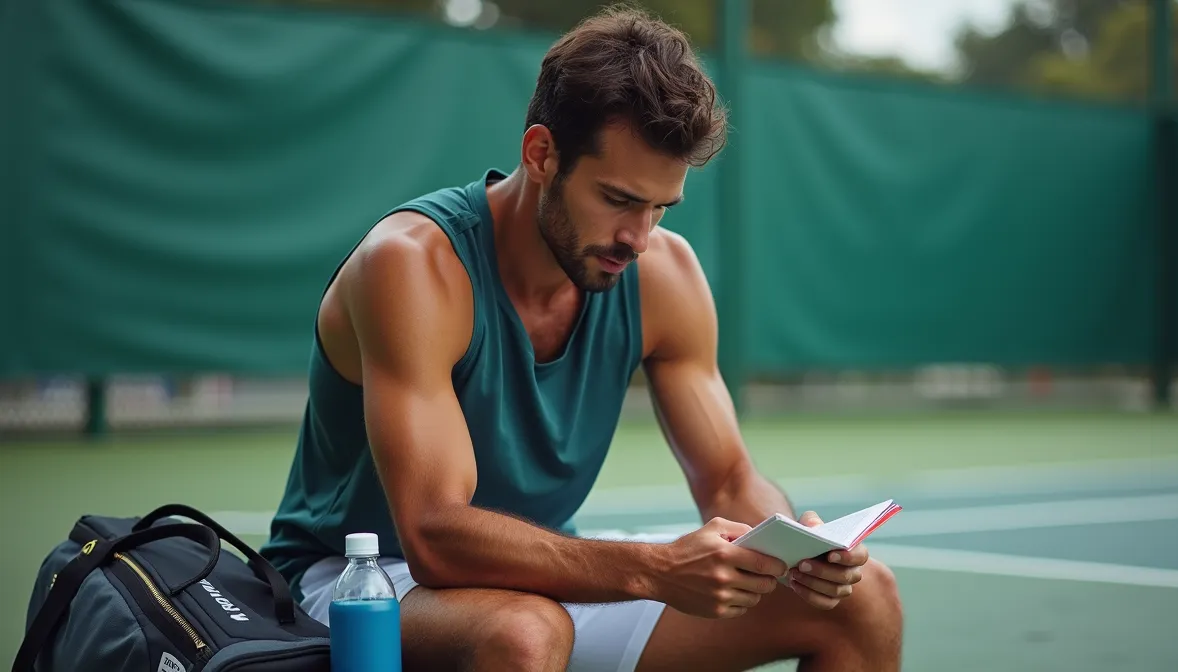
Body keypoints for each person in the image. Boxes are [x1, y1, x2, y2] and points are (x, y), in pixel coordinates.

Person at [260, 6, 902, 671]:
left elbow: (728, 476)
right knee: (525, 633)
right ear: (542, 154)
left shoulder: (664, 274)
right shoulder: (413, 265)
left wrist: (793, 551)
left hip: (537, 576)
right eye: (619, 199)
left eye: (659, 208)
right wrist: (653, 569)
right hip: (354, 581)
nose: (639, 238)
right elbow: (433, 535)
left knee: (865, 599)